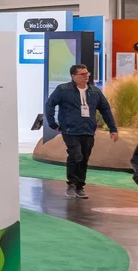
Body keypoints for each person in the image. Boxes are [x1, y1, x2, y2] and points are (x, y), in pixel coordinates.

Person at [43, 63, 118, 198]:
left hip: (88, 130)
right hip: (70, 130)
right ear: (73, 76)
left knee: (84, 158)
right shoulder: (63, 89)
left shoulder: (95, 92)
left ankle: (80, 186)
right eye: (82, 74)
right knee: (75, 155)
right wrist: (52, 123)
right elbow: (50, 104)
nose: (86, 76)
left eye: (87, 73)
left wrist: (113, 129)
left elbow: (105, 109)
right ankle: (71, 184)